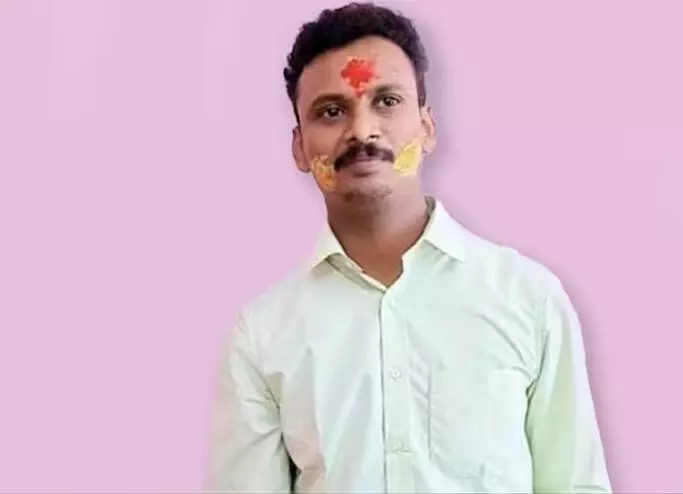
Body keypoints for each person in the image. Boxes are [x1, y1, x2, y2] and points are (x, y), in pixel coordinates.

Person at [206, 2, 612, 493]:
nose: (362, 131)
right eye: (331, 111)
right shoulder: (264, 333)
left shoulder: (528, 299)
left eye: (387, 101)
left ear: (427, 126)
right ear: (299, 147)